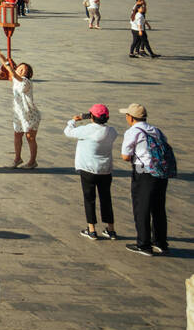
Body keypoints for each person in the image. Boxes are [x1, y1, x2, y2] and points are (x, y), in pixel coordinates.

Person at [119, 104, 171, 256]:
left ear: (131, 117)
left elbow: (125, 156)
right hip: (160, 173)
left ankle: (144, 244)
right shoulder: (156, 130)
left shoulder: (133, 131)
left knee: (142, 208)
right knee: (158, 208)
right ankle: (161, 242)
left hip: (144, 173)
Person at [65, 104, 119, 240]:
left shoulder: (87, 130)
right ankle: (110, 229)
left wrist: (73, 121)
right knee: (106, 199)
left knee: (89, 199)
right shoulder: (112, 131)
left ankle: (91, 229)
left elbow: (68, 132)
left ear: (92, 117)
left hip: (88, 169)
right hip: (105, 170)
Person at [0, 52, 39, 168]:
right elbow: (10, 70)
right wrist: (1, 58)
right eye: (20, 68)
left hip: (29, 115)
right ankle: (17, 159)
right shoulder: (16, 79)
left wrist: (6, 62)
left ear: (28, 74)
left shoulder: (26, 82)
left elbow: (14, 74)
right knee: (17, 135)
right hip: (18, 114)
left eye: (24, 70)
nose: (21, 70)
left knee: (30, 138)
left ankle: (32, 161)